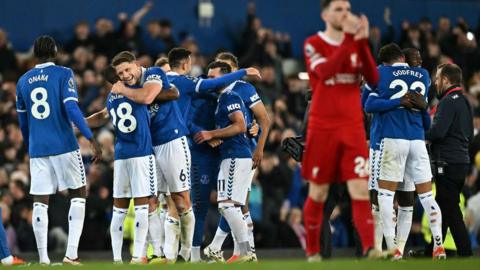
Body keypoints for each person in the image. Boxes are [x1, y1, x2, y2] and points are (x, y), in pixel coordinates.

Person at [301, 0, 379, 261]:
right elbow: (325, 72)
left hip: (353, 128)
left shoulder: (354, 43)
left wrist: (364, 42)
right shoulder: (313, 43)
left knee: (359, 189)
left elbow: (374, 79)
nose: (345, 14)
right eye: (338, 9)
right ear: (325, 14)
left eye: (347, 9)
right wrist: (350, 39)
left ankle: (369, 249)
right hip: (322, 128)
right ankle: (313, 251)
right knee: (319, 193)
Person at [15, 35, 102, 265]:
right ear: (54, 51)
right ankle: (71, 254)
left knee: (40, 201)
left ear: (34, 53)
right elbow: (72, 108)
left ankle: (43, 259)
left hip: (38, 148)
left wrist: (29, 145)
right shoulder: (64, 74)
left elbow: (23, 123)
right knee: (78, 193)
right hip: (64, 143)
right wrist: (91, 137)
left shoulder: (23, 81)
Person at [368, 43, 446, 259]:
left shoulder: (381, 72)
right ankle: (438, 246)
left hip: (392, 138)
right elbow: (426, 123)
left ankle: (393, 249)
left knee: (384, 196)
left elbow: (368, 105)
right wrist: (422, 108)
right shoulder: (422, 75)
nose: (419, 60)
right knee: (427, 196)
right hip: (417, 141)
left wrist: (395, 102)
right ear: (403, 57)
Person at [86, 63, 158, 264]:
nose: (127, 75)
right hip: (141, 153)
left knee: (119, 209)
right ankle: (137, 257)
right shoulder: (136, 90)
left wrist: (80, 122)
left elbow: (102, 116)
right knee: (143, 207)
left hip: (121, 156)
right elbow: (148, 97)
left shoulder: (111, 97)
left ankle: (117, 259)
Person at [203, 52, 270, 263]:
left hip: (243, 151)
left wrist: (259, 147)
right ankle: (232, 250)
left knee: (237, 204)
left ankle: (246, 252)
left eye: (228, 69)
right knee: (233, 204)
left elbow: (262, 120)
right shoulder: (217, 93)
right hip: (228, 152)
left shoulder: (242, 89)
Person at [194, 61, 257, 263]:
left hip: (235, 156)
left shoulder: (230, 96)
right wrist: (220, 135)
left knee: (228, 207)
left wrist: (211, 133)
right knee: (231, 207)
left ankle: (246, 252)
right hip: (233, 155)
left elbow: (239, 125)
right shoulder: (222, 98)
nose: (210, 80)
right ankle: (239, 251)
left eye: (214, 77)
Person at [425, 63, 473, 257]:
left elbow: (437, 131)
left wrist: (419, 131)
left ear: (445, 80)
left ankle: (466, 252)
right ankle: (433, 250)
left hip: (448, 162)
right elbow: (469, 133)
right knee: (444, 206)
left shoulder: (447, 102)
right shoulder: (464, 101)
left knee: (450, 208)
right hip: (460, 160)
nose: (435, 82)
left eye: (437, 79)